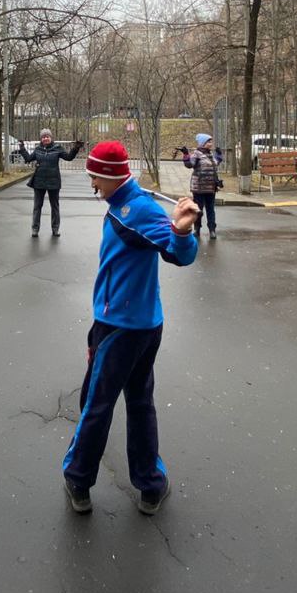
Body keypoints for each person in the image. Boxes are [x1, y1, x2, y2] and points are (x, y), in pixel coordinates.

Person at [61, 140, 199, 516]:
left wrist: (183, 232)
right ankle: (151, 486)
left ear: (109, 177)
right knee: (139, 403)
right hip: (143, 325)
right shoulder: (124, 204)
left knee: (96, 404)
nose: (92, 184)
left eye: (94, 177)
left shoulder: (132, 210)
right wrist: (179, 235)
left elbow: (177, 251)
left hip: (118, 328)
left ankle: (78, 477)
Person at [17, 129, 84, 238]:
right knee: (37, 207)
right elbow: (28, 158)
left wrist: (75, 148)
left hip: (54, 182)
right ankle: (35, 229)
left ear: (51, 137)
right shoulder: (38, 150)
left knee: (55, 207)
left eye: (47, 136)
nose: (45, 138)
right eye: (43, 137)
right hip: (39, 182)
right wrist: (22, 147)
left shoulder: (57, 149)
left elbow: (69, 157)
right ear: (41, 139)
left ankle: (55, 229)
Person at [182, 133, 224, 239]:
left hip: (210, 188)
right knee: (198, 210)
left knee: (210, 210)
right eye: (209, 141)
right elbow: (189, 165)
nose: (211, 143)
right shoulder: (197, 154)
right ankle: (197, 229)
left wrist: (219, 155)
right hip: (198, 188)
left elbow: (216, 163)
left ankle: (212, 230)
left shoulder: (210, 154)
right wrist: (186, 154)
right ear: (203, 143)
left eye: (211, 141)